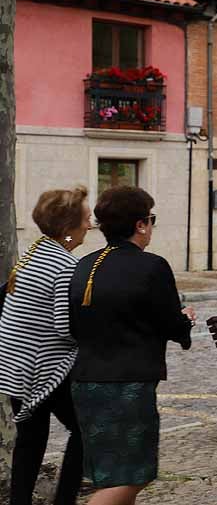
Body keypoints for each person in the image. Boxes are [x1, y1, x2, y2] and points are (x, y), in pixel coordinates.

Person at [68, 186, 196, 505]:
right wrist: (185, 322)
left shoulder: (84, 264)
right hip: (127, 386)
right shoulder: (151, 265)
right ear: (140, 224)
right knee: (130, 477)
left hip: (85, 382)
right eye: (151, 219)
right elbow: (168, 321)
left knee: (112, 475)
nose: (151, 227)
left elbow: (75, 323)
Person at [0, 187, 91, 505]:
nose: (90, 224)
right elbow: (65, 328)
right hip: (46, 369)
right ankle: (64, 500)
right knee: (86, 430)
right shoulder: (65, 266)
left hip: (15, 365)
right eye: (86, 217)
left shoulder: (34, 254)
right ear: (69, 227)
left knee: (31, 438)